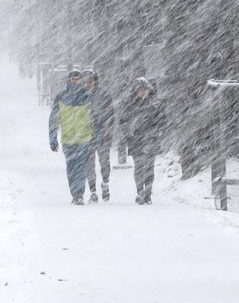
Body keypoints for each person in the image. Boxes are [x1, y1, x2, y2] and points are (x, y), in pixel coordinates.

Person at [49, 70, 94, 205]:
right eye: (73, 79)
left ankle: (79, 195)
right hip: (68, 139)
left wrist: (96, 136)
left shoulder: (87, 96)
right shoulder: (61, 97)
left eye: (77, 79)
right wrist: (53, 138)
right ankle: (74, 193)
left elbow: (95, 117)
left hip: (84, 138)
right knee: (71, 167)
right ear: (69, 81)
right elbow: (53, 119)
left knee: (80, 167)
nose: (75, 81)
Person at [121, 77, 166, 205]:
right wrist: (128, 134)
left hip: (151, 139)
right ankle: (140, 192)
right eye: (139, 90)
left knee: (149, 168)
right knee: (139, 167)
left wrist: (158, 132)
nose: (142, 92)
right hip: (136, 139)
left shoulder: (155, 104)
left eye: (144, 90)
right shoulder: (130, 104)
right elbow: (123, 122)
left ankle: (148, 194)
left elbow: (162, 120)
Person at [83, 70, 115, 203]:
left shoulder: (104, 95)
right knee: (89, 165)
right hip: (86, 135)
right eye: (85, 81)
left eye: (90, 80)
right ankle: (93, 191)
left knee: (104, 162)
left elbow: (110, 115)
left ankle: (105, 183)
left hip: (102, 134)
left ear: (95, 81)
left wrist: (108, 131)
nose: (87, 83)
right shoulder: (79, 96)